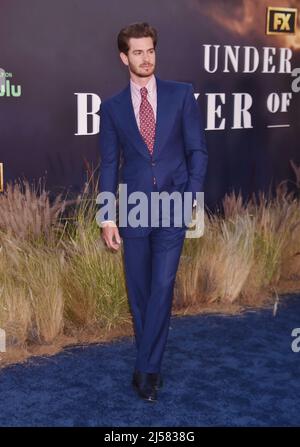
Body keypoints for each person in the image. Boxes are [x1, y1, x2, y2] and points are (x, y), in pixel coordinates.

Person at [98, 22, 208, 402]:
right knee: (140, 292)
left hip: (174, 204)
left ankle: (147, 369)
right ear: (124, 57)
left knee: (162, 287)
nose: (147, 59)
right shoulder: (111, 108)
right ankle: (147, 362)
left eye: (151, 51)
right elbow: (109, 164)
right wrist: (106, 217)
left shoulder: (181, 95)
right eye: (138, 52)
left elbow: (197, 150)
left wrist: (192, 196)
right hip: (134, 207)